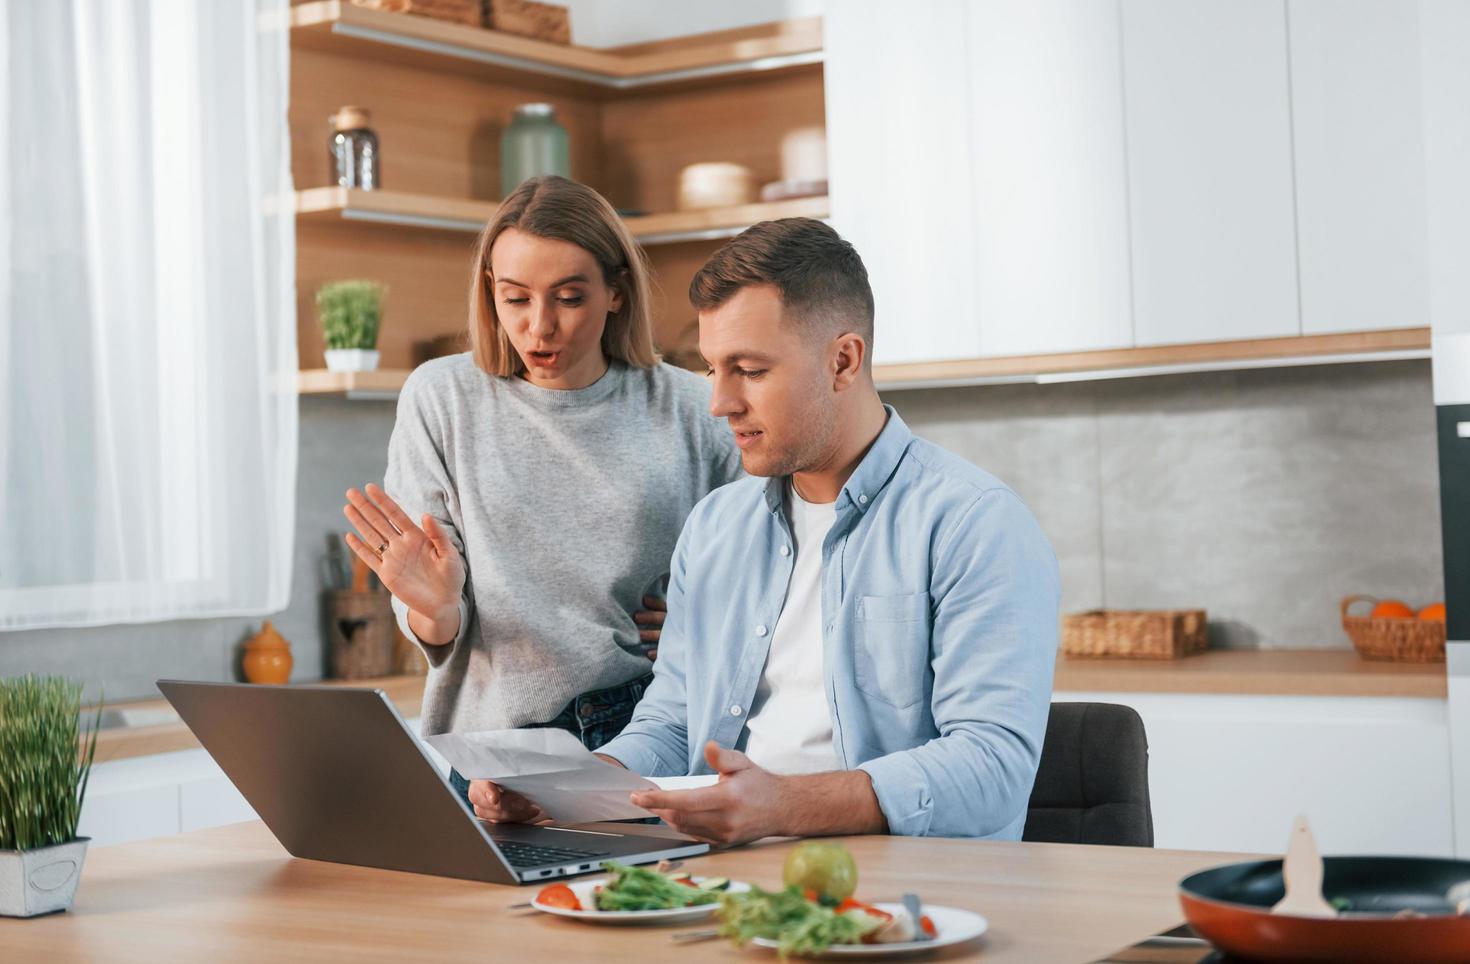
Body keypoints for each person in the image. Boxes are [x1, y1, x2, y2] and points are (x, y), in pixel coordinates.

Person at [471, 216, 1060, 842]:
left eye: (749, 370)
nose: (720, 403)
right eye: (712, 370)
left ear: (842, 360)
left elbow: (992, 766)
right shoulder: (716, 527)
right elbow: (672, 721)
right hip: (718, 881)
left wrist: (785, 806)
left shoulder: (973, 524)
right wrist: (568, 791)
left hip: (906, 893)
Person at [340, 176, 741, 817]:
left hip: (647, 733)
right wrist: (433, 607)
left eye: (569, 297)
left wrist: (707, 629)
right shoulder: (441, 398)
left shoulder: (693, 408)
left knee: (643, 913)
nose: (540, 326)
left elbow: (766, 576)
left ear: (616, 292)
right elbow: (440, 628)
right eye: (515, 298)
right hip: (491, 755)